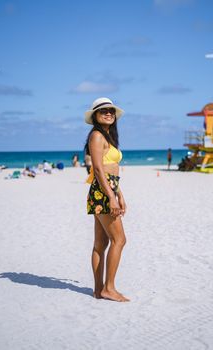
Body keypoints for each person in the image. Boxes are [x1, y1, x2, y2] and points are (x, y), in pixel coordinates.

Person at [84, 97, 129, 302]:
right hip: (102, 191)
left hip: (108, 189)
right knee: (119, 240)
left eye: (111, 110)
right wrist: (111, 196)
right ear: (95, 116)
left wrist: (119, 193)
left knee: (100, 243)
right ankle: (108, 288)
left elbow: (111, 171)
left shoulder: (107, 136)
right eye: (103, 111)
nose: (109, 113)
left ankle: (98, 289)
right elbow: (99, 169)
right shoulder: (96, 136)